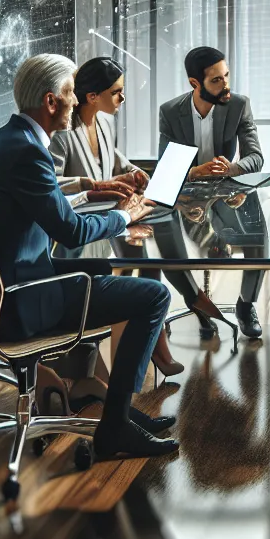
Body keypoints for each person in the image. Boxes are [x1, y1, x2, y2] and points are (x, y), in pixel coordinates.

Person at [0, 54, 178, 460]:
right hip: (20, 301)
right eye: (69, 93)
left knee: (101, 267)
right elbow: (72, 230)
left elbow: (48, 208)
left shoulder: (4, 140)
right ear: (50, 102)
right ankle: (115, 428)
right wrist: (123, 217)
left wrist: (97, 196)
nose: (76, 100)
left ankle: (120, 411)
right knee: (153, 296)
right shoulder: (29, 152)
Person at [54, 56, 201, 380]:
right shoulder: (64, 132)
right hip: (83, 225)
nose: (122, 98)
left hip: (110, 217)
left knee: (146, 258)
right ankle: (156, 346)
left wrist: (134, 172)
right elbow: (51, 181)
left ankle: (155, 345)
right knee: (141, 251)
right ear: (93, 96)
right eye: (117, 92)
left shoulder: (103, 124)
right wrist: (95, 186)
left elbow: (119, 163)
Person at [158, 46, 269, 338]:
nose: (226, 85)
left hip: (229, 189)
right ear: (196, 84)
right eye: (216, 80)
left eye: (226, 76)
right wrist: (197, 171)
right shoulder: (170, 112)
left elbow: (255, 157)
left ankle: (246, 304)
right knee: (197, 245)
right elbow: (165, 166)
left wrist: (231, 168)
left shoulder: (238, 105)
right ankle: (198, 303)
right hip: (189, 194)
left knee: (258, 239)